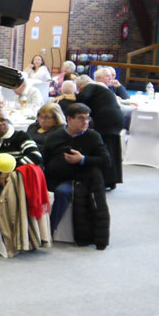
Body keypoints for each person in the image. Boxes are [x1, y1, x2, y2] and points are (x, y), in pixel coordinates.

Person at [43, 103, 111, 248]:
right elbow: (45, 159)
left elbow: (106, 161)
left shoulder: (93, 137)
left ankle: (48, 231)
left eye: (87, 118)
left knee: (63, 192)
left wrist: (82, 159)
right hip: (53, 178)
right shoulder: (54, 137)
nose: (85, 122)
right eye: (81, 118)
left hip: (79, 180)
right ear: (69, 119)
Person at [0, 108, 43, 240]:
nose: (0, 123)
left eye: (3, 120)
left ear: (8, 120)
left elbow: (35, 156)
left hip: (11, 185)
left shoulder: (20, 137)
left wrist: (11, 170)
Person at [75, 75, 125, 189]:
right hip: (115, 118)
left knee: (105, 149)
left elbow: (81, 98)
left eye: (78, 88)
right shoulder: (100, 90)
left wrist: (68, 96)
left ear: (81, 85)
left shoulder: (90, 86)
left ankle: (106, 180)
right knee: (113, 149)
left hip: (106, 120)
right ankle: (112, 180)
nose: (79, 90)